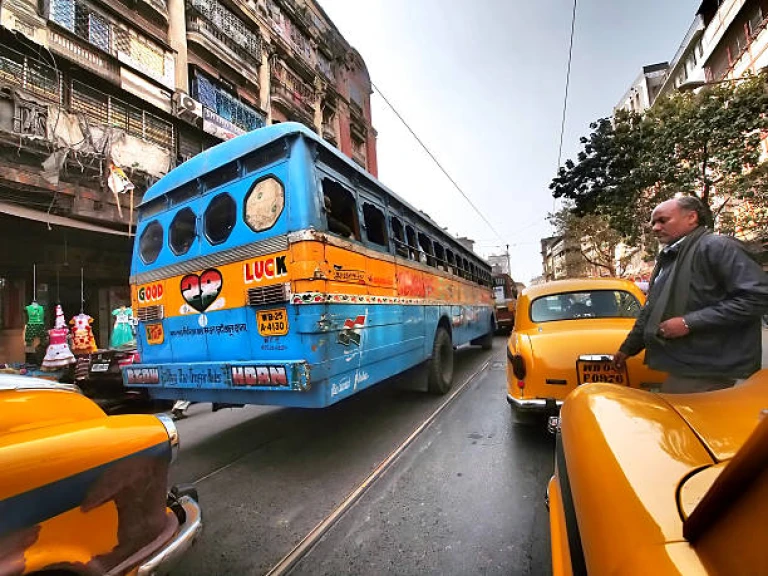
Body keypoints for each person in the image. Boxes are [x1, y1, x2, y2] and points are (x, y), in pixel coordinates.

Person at [613, 196, 768, 393]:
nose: (655, 228)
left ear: (692, 218)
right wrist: (628, 348)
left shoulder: (717, 247)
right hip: (687, 366)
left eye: (663, 220)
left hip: (713, 369)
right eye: (653, 223)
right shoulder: (671, 258)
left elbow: (757, 297)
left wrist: (689, 323)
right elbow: (651, 309)